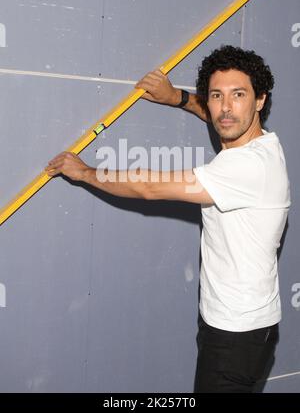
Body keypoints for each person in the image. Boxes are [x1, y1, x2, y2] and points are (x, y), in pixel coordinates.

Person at [45, 45, 291, 393]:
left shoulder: (247, 166)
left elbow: (149, 187)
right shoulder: (262, 142)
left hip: (235, 336)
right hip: (246, 325)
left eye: (239, 95)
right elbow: (221, 118)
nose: (225, 107)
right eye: (217, 95)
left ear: (260, 100)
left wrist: (85, 172)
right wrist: (177, 97)